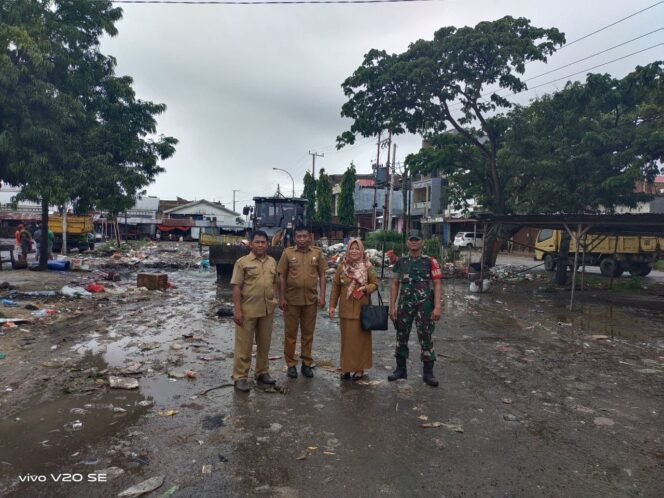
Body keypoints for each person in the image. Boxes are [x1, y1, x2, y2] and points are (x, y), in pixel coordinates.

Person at [388, 230, 443, 387]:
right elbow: (394, 284)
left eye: (416, 239)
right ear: (407, 242)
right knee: (401, 334)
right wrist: (392, 306)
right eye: (411, 239)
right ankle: (400, 369)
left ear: (422, 242)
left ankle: (428, 373)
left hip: (424, 304)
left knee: (426, 335)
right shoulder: (401, 262)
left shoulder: (430, 261)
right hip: (404, 304)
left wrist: (437, 306)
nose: (413, 242)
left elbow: (437, 284)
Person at [230, 230, 279, 392]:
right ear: (250, 244)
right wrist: (237, 310)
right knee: (244, 346)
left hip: (266, 310)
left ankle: (262, 373)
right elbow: (236, 287)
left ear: (267, 244)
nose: (260, 245)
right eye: (257, 242)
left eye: (263, 242)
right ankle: (240, 377)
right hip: (247, 310)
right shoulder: (242, 262)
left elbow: (275, 282)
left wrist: (275, 298)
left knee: (264, 344)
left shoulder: (272, 261)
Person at [277, 226, 327, 379]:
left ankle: (306, 363)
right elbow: (282, 276)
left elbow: (323, 275)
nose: (302, 239)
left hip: (310, 301)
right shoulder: (287, 253)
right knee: (290, 334)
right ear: (295, 238)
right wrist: (281, 297)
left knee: (308, 334)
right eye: (299, 236)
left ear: (310, 237)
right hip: (291, 301)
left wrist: (323, 296)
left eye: (305, 236)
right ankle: (291, 364)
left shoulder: (317, 253)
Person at [329, 238, 378, 380]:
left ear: (362, 250)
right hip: (345, 310)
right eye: (352, 248)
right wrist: (332, 306)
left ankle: (359, 369)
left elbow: (375, 284)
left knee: (361, 342)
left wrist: (365, 289)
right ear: (348, 250)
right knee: (347, 341)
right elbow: (335, 287)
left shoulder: (369, 266)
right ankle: (346, 368)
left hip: (362, 311)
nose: (354, 251)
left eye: (357, 248)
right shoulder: (342, 266)